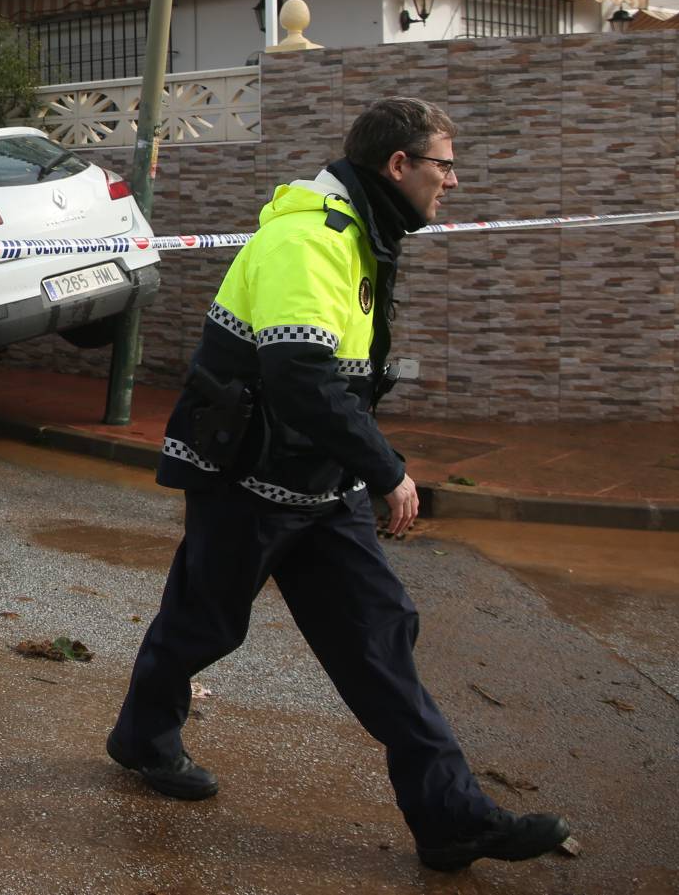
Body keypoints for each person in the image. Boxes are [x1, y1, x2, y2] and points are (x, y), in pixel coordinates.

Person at [104, 98, 571, 873]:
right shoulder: (307, 239)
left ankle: (451, 818)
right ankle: (142, 737)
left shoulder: (362, 235)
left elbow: (332, 389)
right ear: (399, 166)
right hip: (244, 482)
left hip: (321, 487)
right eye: (444, 165)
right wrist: (388, 469)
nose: (452, 181)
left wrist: (358, 468)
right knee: (202, 626)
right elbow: (301, 381)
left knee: (382, 638)